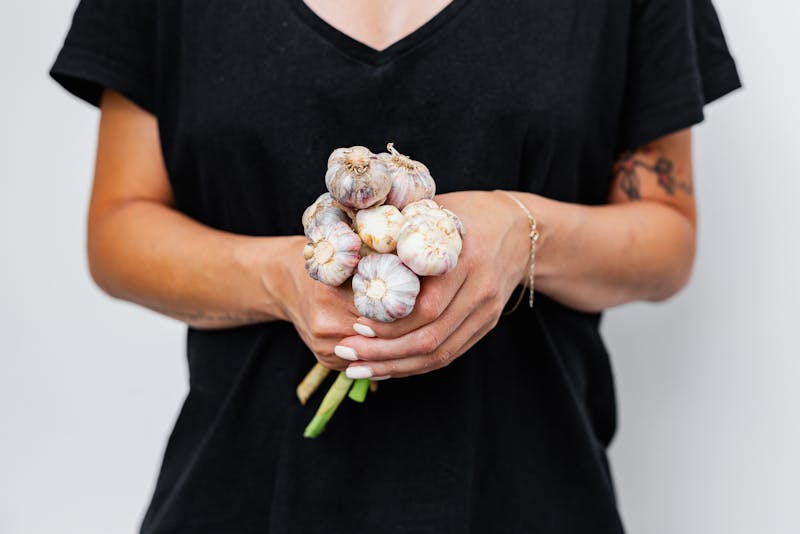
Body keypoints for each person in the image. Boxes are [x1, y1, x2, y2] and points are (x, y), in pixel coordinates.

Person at [50, 0, 740, 532]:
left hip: (531, 498)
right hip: (241, 497)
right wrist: (285, 277)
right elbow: (118, 231)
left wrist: (522, 231)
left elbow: (665, 238)